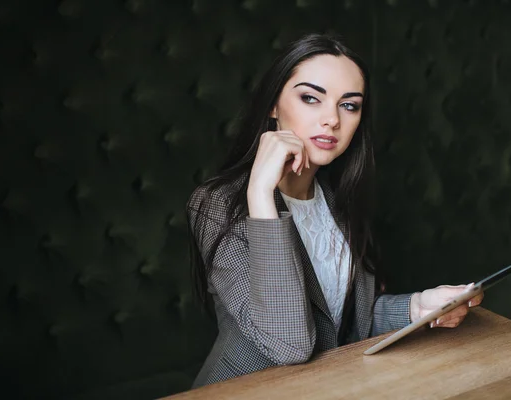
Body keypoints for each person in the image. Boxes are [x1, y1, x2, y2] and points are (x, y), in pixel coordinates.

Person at [186, 33, 483, 388]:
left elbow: (344, 322)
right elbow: (290, 343)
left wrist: (419, 307)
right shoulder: (216, 204)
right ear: (273, 105)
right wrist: (261, 194)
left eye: (349, 105)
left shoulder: (338, 197)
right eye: (311, 98)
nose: (332, 120)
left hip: (331, 387)